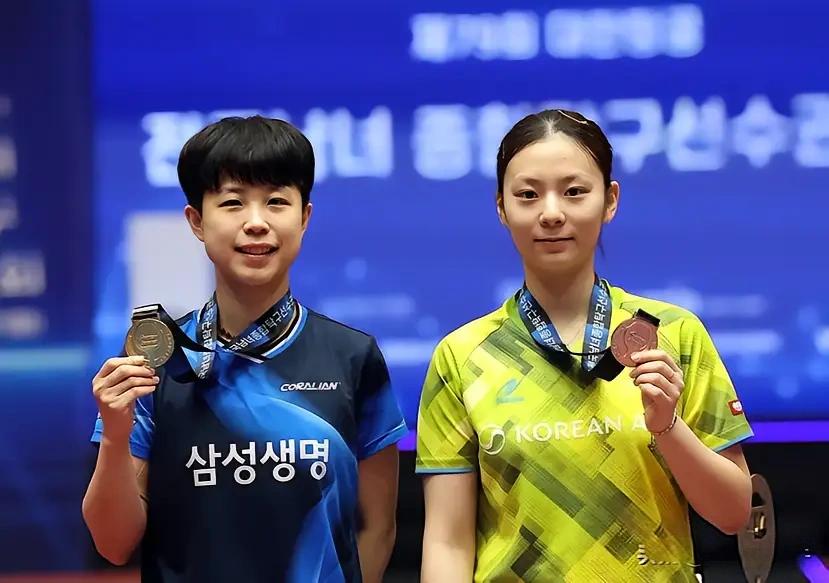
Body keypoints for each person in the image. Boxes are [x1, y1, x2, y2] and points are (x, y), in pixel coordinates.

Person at [416, 109, 753, 582]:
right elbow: (447, 542)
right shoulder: (462, 355)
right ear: (501, 208)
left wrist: (667, 426)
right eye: (528, 195)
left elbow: (734, 513)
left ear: (610, 200)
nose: (552, 213)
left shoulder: (674, 333)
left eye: (574, 191)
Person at [82, 116, 407, 583]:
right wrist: (115, 434)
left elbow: (375, 528)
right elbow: (114, 544)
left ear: (304, 218)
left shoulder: (353, 356)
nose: (256, 223)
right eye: (233, 202)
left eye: (276, 202)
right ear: (196, 221)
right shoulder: (158, 361)